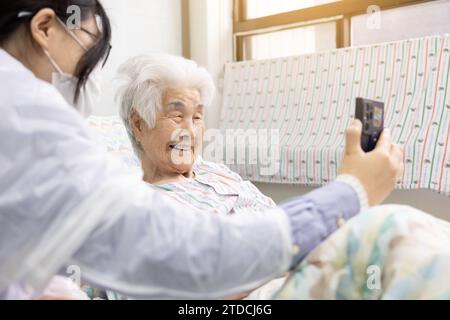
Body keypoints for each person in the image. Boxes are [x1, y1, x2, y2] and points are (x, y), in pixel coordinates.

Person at [0, 0, 403, 299]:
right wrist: (351, 191)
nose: (191, 130)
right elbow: (197, 265)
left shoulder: (223, 174)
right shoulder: (31, 120)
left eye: (198, 116)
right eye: (177, 115)